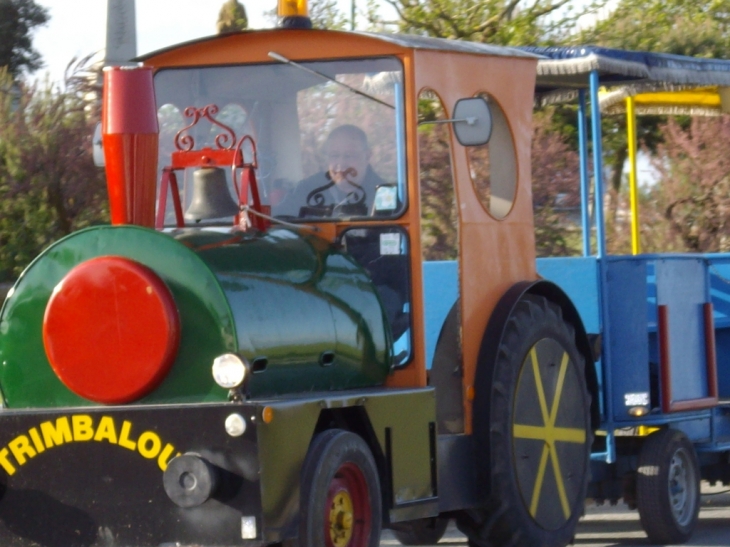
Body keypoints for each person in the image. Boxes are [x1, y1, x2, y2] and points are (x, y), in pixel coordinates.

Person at [277, 124, 386, 218]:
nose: (341, 163)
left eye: (349, 156)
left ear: (367, 156)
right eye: (334, 155)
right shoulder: (307, 190)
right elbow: (280, 221)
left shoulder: (385, 194)